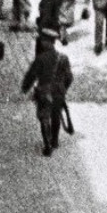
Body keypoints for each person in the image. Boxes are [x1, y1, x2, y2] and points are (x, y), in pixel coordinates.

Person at [20, 28, 73, 156]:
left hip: (44, 91)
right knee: (56, 115)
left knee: (44, 116)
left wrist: (25, 87)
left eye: (43, 40)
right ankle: (54, 140)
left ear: (46, 42)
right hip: (59, 92)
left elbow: (31, 75)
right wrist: (63, 89)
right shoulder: (63, 58)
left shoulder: (40, 58)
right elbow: (69, 77)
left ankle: (47, 144)